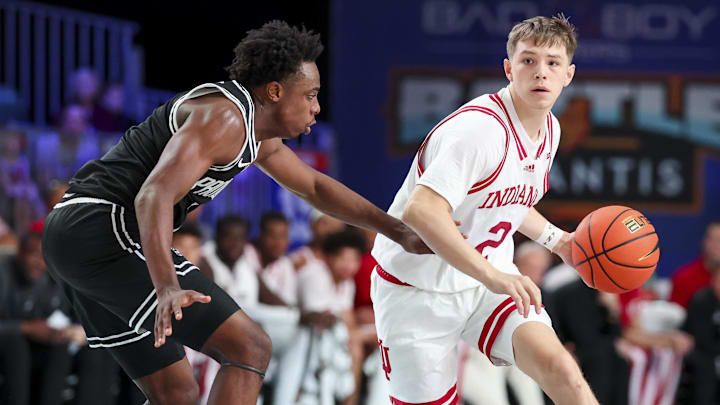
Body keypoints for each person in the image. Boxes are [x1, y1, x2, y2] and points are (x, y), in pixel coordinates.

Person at [41, 21, 428, 405]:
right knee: (250, 348)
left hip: (79, 238)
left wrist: (397, 230)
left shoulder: (259, 138)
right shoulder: (225, 118)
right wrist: (166, 286)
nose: (317, 107)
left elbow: (315, 187)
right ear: (275, 91)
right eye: (310, 95)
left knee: (175, 393)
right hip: (102, 228)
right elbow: (153, 196)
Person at [370, 14, 599, 404]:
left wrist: (558, 241)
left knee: (563, 371)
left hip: (484, 282)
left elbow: (508, 199)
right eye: (528, 60)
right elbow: (420, 211)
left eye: (552, 62)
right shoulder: (479, 131)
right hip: (417, 289)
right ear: (509, 68)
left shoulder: (551, 129)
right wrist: (492, 274)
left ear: (569, 74)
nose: (540, 72)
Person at [669, 220, 720, 309]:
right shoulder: (684, 277)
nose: (716, 246)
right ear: (704, 242)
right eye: (712, 239)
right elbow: (674, 318)